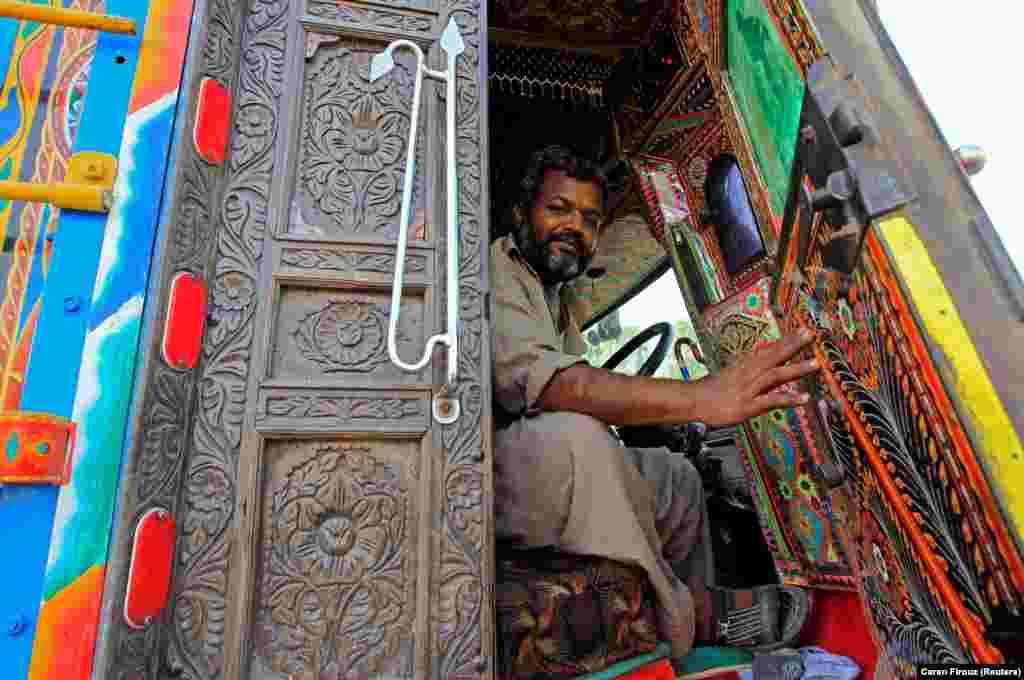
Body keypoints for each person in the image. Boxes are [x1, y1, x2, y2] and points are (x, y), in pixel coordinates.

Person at [490, 145, 820, 662]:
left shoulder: (557, 299)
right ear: (520, 215)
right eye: (559, 209)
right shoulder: (499, 269)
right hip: (476, 471)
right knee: (577, 439)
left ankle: (705, 621)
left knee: (675, 475)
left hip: (533, 472)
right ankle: (681, 613)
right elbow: (549, 387)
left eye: (589, 217)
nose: (574, 226)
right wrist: (700, 398)